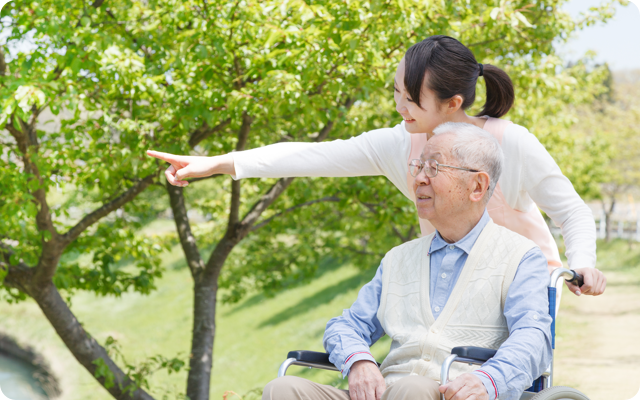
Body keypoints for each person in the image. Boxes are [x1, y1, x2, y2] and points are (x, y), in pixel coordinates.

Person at [147, 35, 606, 297]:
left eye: (412, 98)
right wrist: (218, 163)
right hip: (449, 285)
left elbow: (572, 213)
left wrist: (582, 263)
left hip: (523, 288)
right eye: (396, 93)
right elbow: (310, 155)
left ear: (453, 103)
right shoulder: (398, 144)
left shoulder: (512, 144)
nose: (400, 106)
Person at [262, 124, 552, 400]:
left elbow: (533, 337)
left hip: (454, 394)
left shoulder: (521, 257)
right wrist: (359, 362)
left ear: (477, 186)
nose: (419, 178)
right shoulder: (398, 259)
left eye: (434, 167)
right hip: (388, 391)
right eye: (419, 166)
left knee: (412, 390)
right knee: (284, 389)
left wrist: (489, 381)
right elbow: (346, 326)